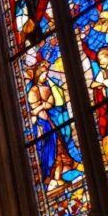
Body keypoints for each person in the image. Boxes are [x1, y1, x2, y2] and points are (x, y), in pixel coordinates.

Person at [26, 58, 77, 190]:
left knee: (58, 150)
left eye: (46, 73)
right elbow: (33, 111)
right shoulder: (33, 91)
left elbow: (52, 103)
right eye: (43, 74)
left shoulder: (48, 87)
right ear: (38, 75)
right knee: (49, 152)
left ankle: (57, 177)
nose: (45, 76)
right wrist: (43, 105)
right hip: (42, 126)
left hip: (50, 123)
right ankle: (51, 178)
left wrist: (46, 104)